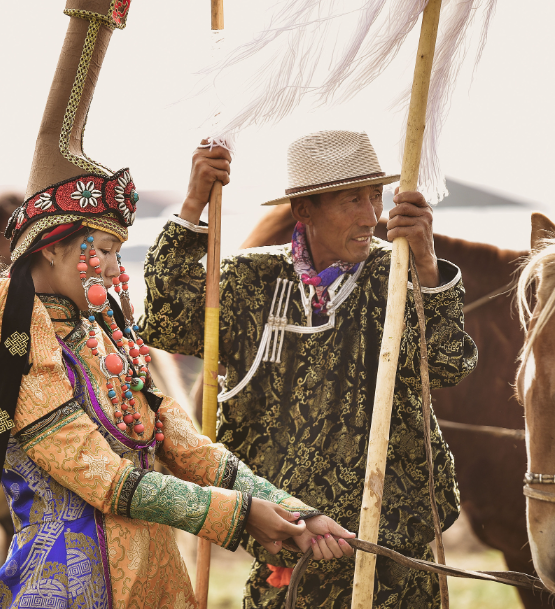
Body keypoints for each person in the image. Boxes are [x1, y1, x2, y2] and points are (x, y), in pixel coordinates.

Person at [0, 0, 354, 609]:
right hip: (63, 588)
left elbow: (182, 444)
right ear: (51, 246)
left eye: (113, 252)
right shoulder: (2, 312)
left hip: (152, 580)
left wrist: (291, 511)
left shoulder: (102, 331)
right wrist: (241, 516)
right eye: (102, 251)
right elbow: (100, 475)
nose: (113, 269)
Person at [141, 130, 478, 607]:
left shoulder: (397, 274)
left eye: (374, 196)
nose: (371, 215)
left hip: (392, 558)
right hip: (286, 552)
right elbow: (165, 320)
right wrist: (195, 201)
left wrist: (425, 264)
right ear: (304, 210)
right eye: (351, 200)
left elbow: (448, 365)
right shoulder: (248, 280)